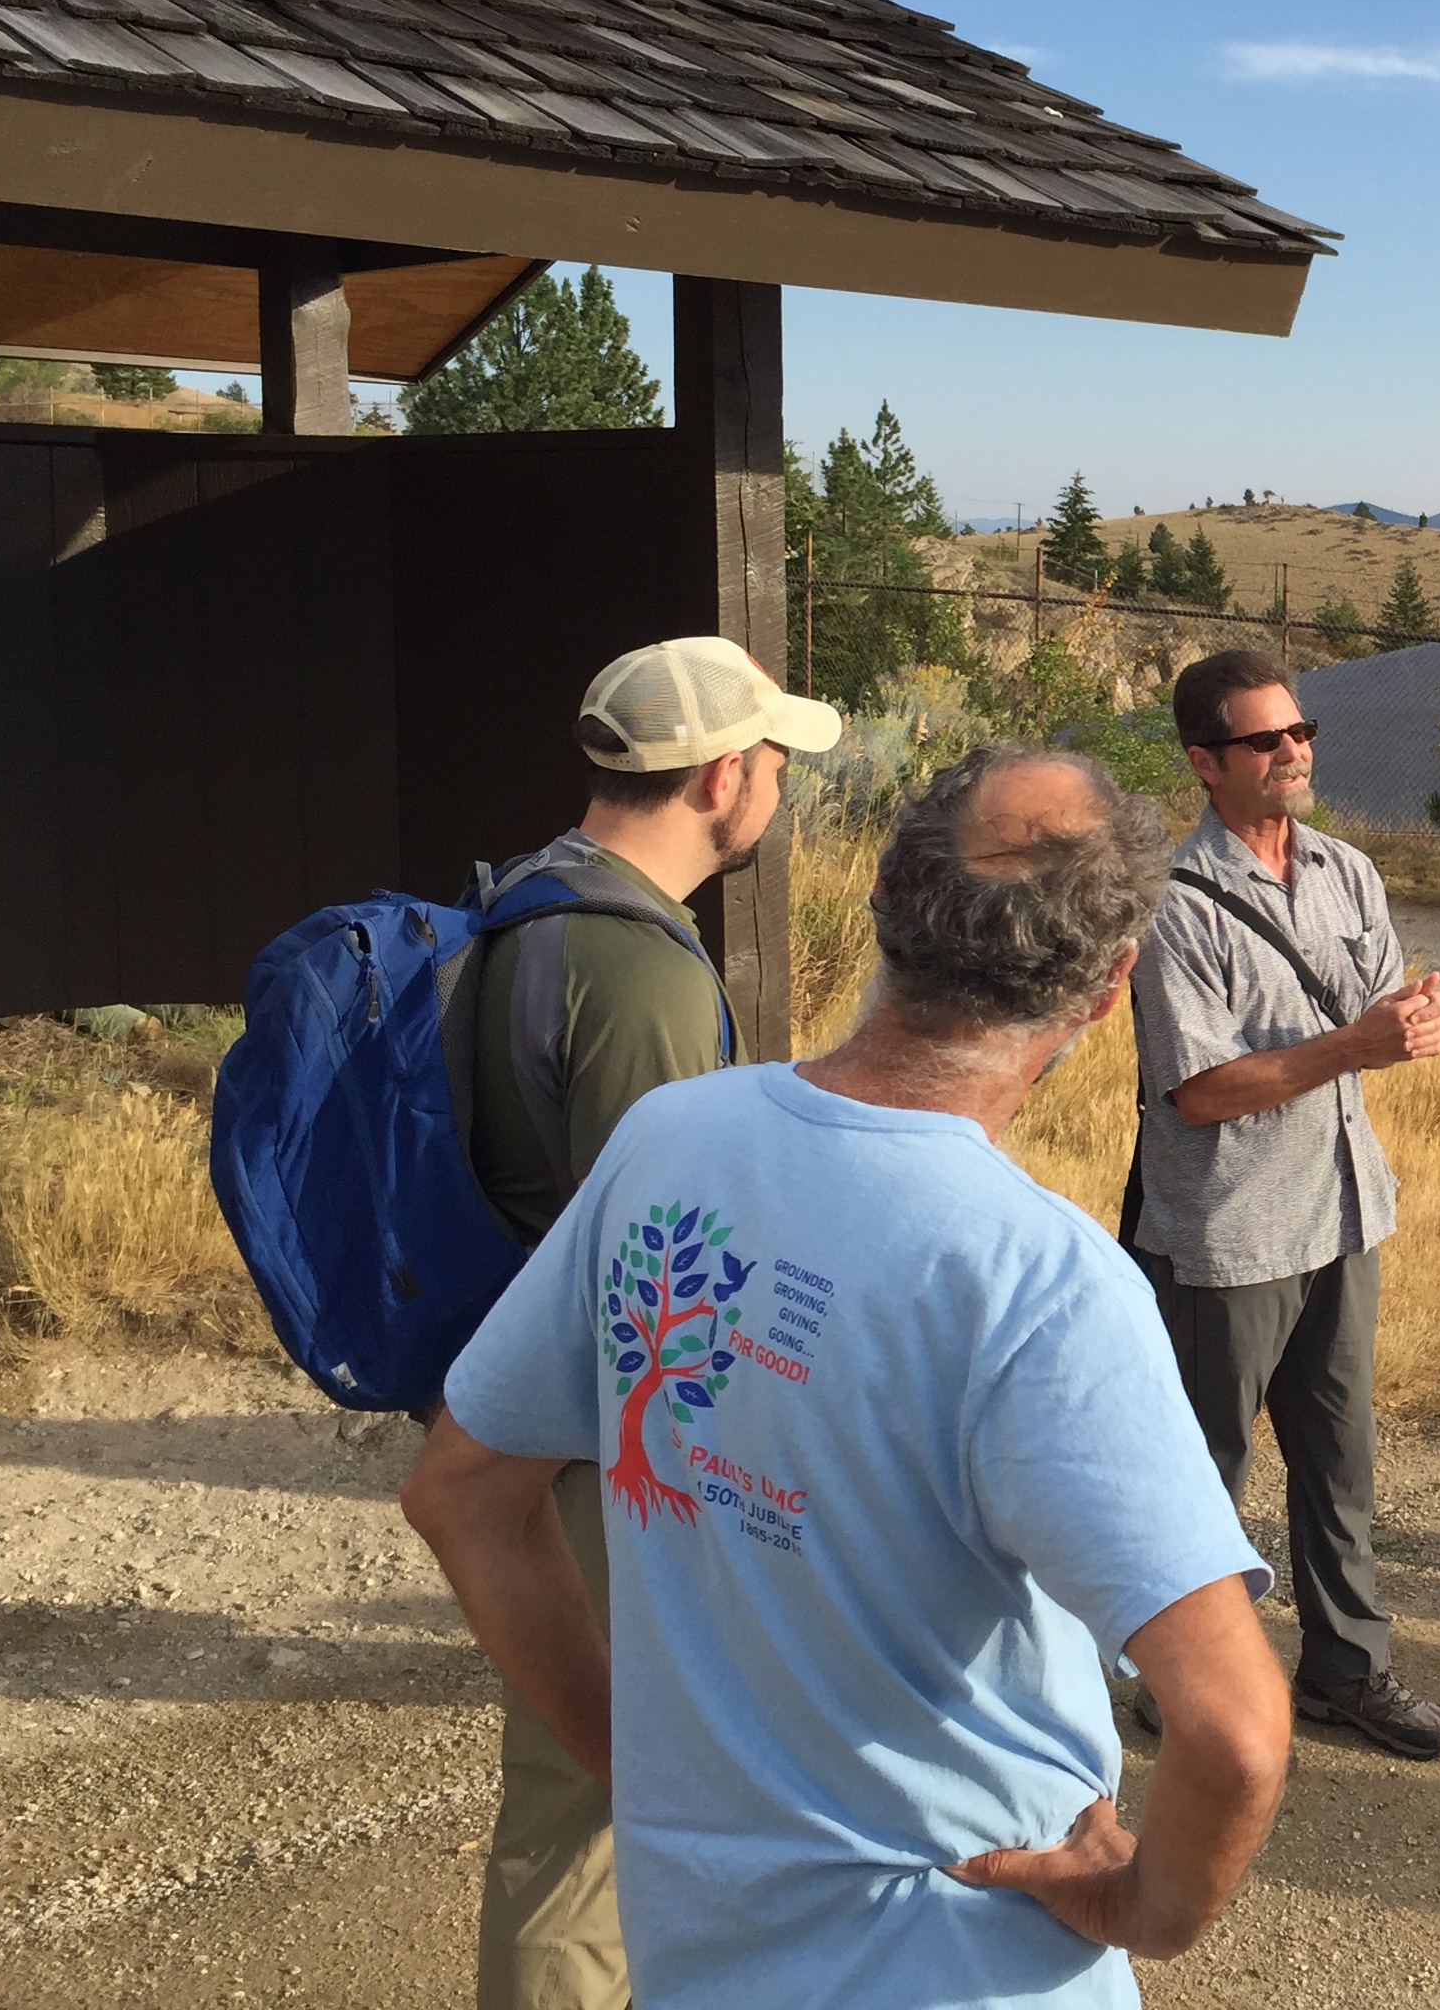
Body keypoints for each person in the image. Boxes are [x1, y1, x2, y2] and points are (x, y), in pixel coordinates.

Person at [403, 747, 1292, 2010]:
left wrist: (637, 1768)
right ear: (1111, 987)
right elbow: (1235, 1733)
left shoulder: (671, 1140)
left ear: (882, 896)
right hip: (964, 1963)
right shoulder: (1042, 1282)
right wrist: (1149, 1909)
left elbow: (460, 1492)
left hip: (698, 1958)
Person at [465, 634, 841, 2010]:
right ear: (722, 777)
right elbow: (662, 1265)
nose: (780, 788)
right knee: (591, 1812)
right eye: (776, 762)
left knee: (575, 1794)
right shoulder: (642, 973)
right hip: (602, 1444)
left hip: (531, 1402)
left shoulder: (533, 903)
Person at [1126, 647, 1440, 1760]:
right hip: (1228, 1231)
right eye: (1264, 739)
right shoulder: (1176, 905)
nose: (1293, 752)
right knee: (1201, 1474)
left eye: (1300, 731)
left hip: (1344, 1210)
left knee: (1339, 1460)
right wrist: (1357, 1044)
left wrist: (1412, 1022)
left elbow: (1376, 1008)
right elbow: (1201, 1090)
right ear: (1204, 762)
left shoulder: (1348, 871)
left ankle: (1344, 1672)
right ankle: (1182, 1686)